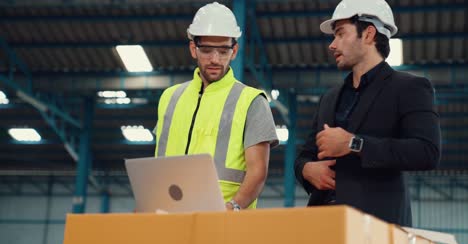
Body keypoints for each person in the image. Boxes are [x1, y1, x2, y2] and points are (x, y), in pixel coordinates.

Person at [294, 0, 441, 226]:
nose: (332, 45)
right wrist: (306, 169)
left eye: (341, 34)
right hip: (322, 225)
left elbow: (427, 151)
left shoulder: (410, 88)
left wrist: (355, 144)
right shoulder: (329, 98)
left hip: (377, 229)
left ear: (369, 34)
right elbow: (305, 155)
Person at [154, 2, 278, 211]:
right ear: (193, 49)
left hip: (225, 220)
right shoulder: (170, 97)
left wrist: (233, 207)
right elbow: (157, 162)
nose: (215, 59)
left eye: (223, 51)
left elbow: (258, 172)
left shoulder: (252, 101)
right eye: (207, 50)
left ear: (235, 51)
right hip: (169, 214)